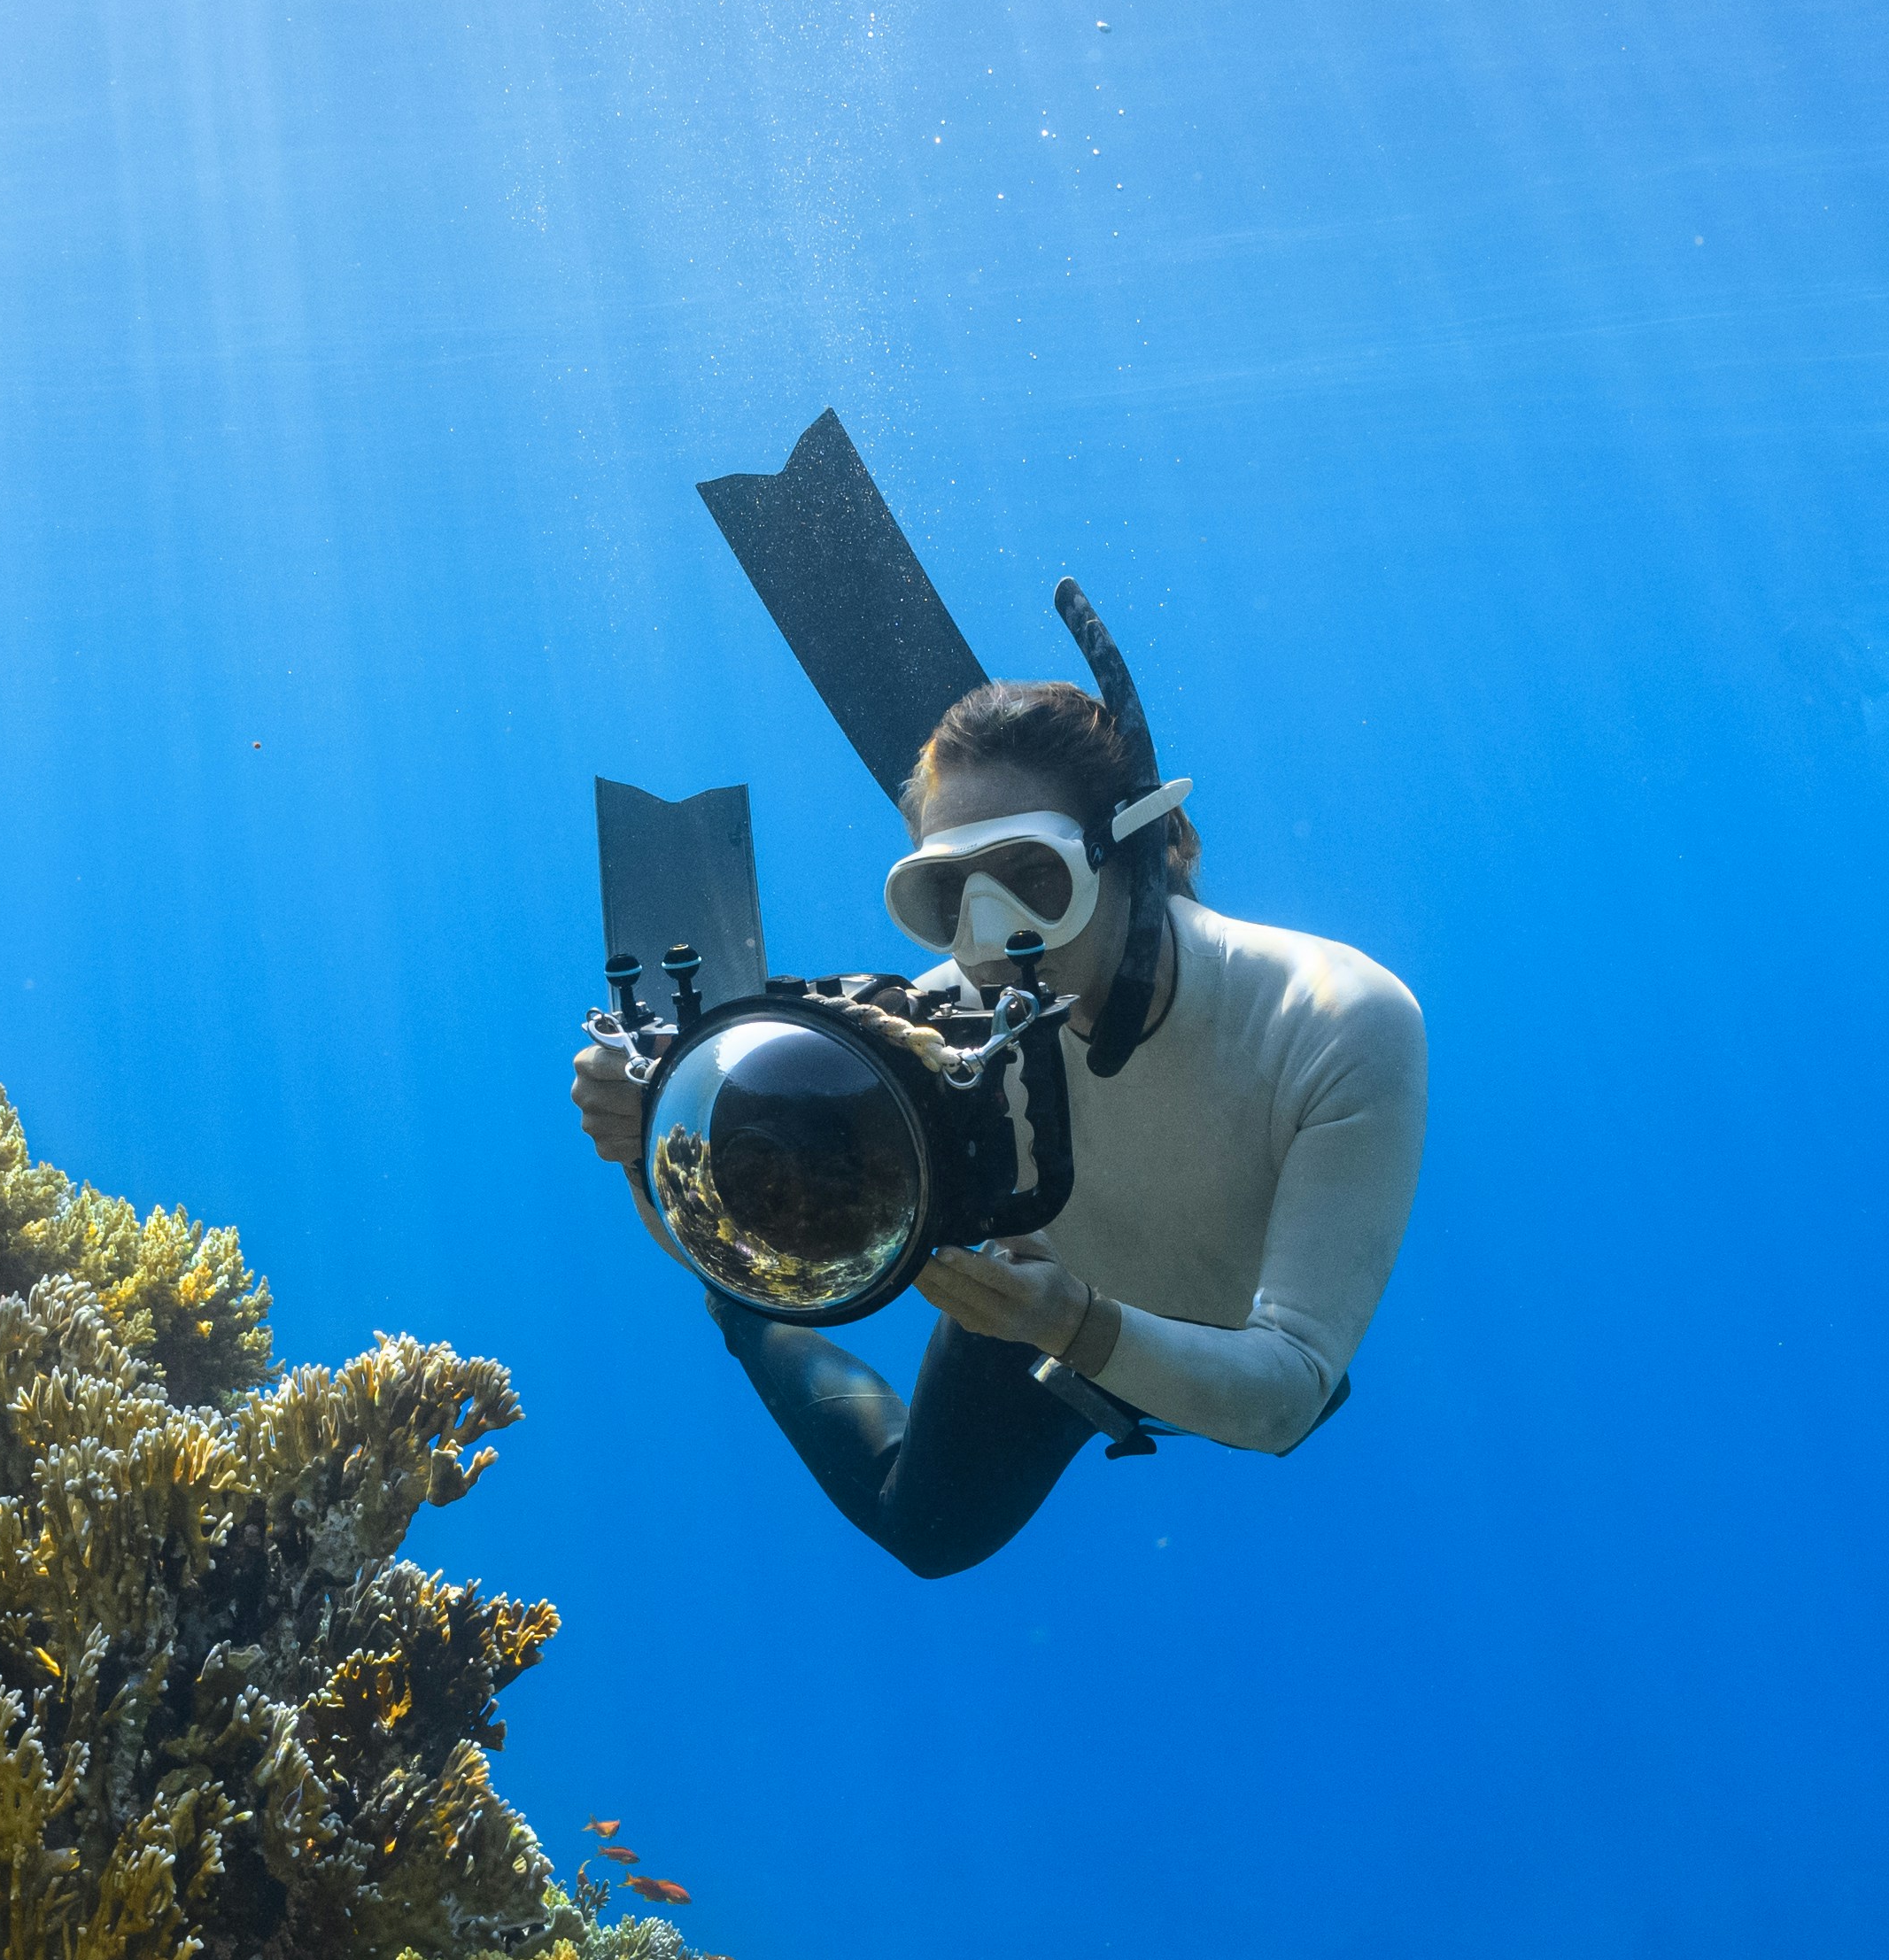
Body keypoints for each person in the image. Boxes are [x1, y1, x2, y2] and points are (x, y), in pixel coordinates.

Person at [571, 671, 1424, 1575]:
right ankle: (736, 1328)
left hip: (1182, 1344)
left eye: (1032, 878)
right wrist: (662, 1131)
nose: (985, 940)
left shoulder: (1334, 1019)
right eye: (946, 894)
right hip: (1039, 1301)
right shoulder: (935, 1030)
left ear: (1131, 853)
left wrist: (1082, 1328)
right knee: (926, 1530)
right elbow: (762, 1246)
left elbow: (1284, 1394)